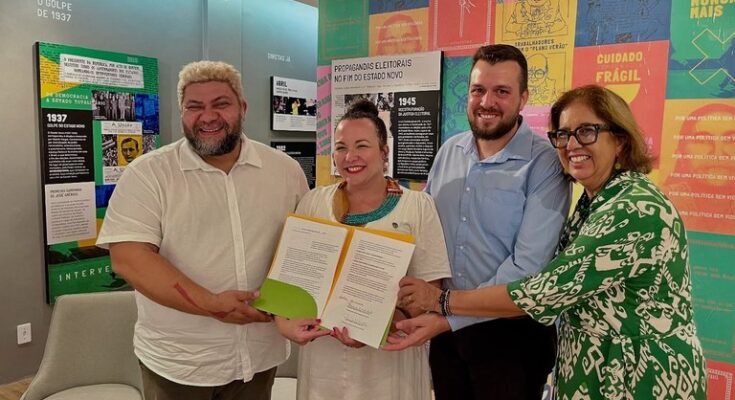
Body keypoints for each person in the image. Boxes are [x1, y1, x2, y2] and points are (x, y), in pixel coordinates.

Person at [390, 84, 708, 399]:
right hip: (595, 367)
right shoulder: (596, 200)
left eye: (587, 132)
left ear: (620, 140)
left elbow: (541, 292)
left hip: (638, 377)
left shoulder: (632, 209)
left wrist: (441, 302)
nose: (572, 145)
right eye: (563, 134)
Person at [96, 60, 309, 400]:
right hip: (181, 363)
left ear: (242, 107)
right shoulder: (149, 174)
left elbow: (305, 245)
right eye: (195, 106)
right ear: (182, 112)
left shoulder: (284, 170)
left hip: (260, 355)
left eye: (221, 104)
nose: (208, 117)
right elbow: (129, 259)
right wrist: (212, 304)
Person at [402, 43, 572, 400]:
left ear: (523, 98)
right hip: (446, 333)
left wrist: (448, 314)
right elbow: (424, 230)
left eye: (502, 92)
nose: (487, 101)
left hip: (511, 337)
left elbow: (528, 267)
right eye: (478, 90)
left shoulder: (544, 164)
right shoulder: (449, 151)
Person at [275, 99, 451, 400]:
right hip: (324, 357)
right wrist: (285, 323)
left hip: (389, 359)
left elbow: (430, 291)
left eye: (362, 146)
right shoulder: (314, 202)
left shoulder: (417, 206)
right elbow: (290, 276)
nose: (350, 157)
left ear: (384, 152)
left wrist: (378, 325)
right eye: (341, 147)